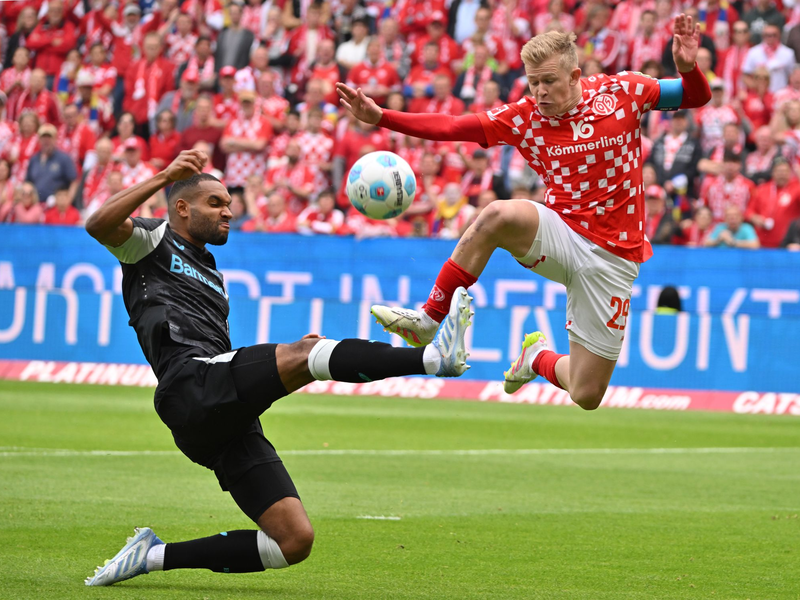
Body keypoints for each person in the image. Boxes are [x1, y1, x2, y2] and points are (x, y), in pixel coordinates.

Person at [82, 150, 473, 587]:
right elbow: (97, 224)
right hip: (190, 383)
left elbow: (221, 348)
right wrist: (164, 175)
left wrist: (288, 361)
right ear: (182, 208)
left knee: (293, 540)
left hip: (219, 412)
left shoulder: (212, 273)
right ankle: (433, 358)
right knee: (308, 355)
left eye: (229, 203)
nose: (228, 211)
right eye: (215, 203)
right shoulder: (150, 241)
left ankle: (151, 556)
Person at [337, 14, 710, 410]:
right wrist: (382, 117)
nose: (540, 91)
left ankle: (536, 357)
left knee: (586, 393)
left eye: (549, 80)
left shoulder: (623, 91)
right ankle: (428, 321)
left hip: (614, 257)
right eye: (533, 82)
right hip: (561, 232)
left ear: (575, 75)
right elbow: (451, 125)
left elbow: (695, 96)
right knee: (497, 216)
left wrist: (688, 68)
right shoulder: (525, 117)